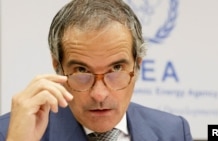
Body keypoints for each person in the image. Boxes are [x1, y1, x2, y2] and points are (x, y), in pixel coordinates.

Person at [0, 0, 193, 141]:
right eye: (82, 70)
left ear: (138, 65)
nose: (99, 95)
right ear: (57, 67)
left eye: (116, 68)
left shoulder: (173, 131)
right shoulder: (10, 132)